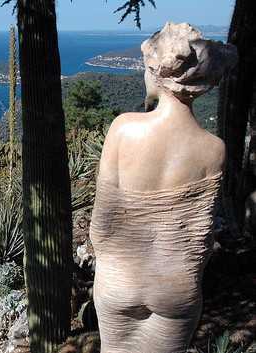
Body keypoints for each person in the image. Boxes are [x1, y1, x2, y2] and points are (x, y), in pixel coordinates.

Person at [90, 22, 237, 353]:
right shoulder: (214, 148)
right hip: (176, 286)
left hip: (119, 278)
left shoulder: (124, 129)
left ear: (157, 74)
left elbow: (101, 226)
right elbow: (201, 235)